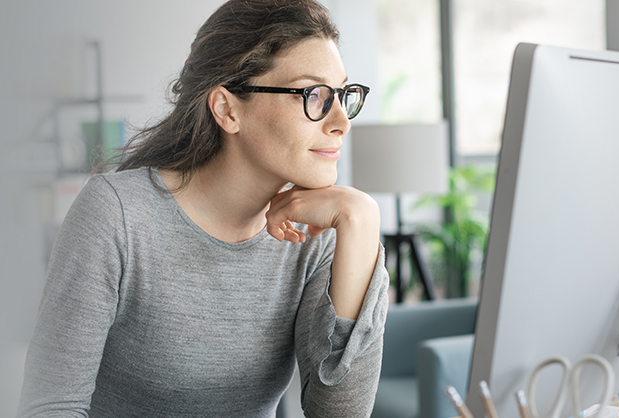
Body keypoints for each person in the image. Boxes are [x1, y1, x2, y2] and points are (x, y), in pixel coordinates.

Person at [17, 0, 389, 416]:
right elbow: (50, 406)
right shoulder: (116, 215)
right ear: (227, 109)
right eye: (314, 94)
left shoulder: (315, 234)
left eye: (342, 94)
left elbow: (338, 414)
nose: (341, 120)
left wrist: (361, 220)